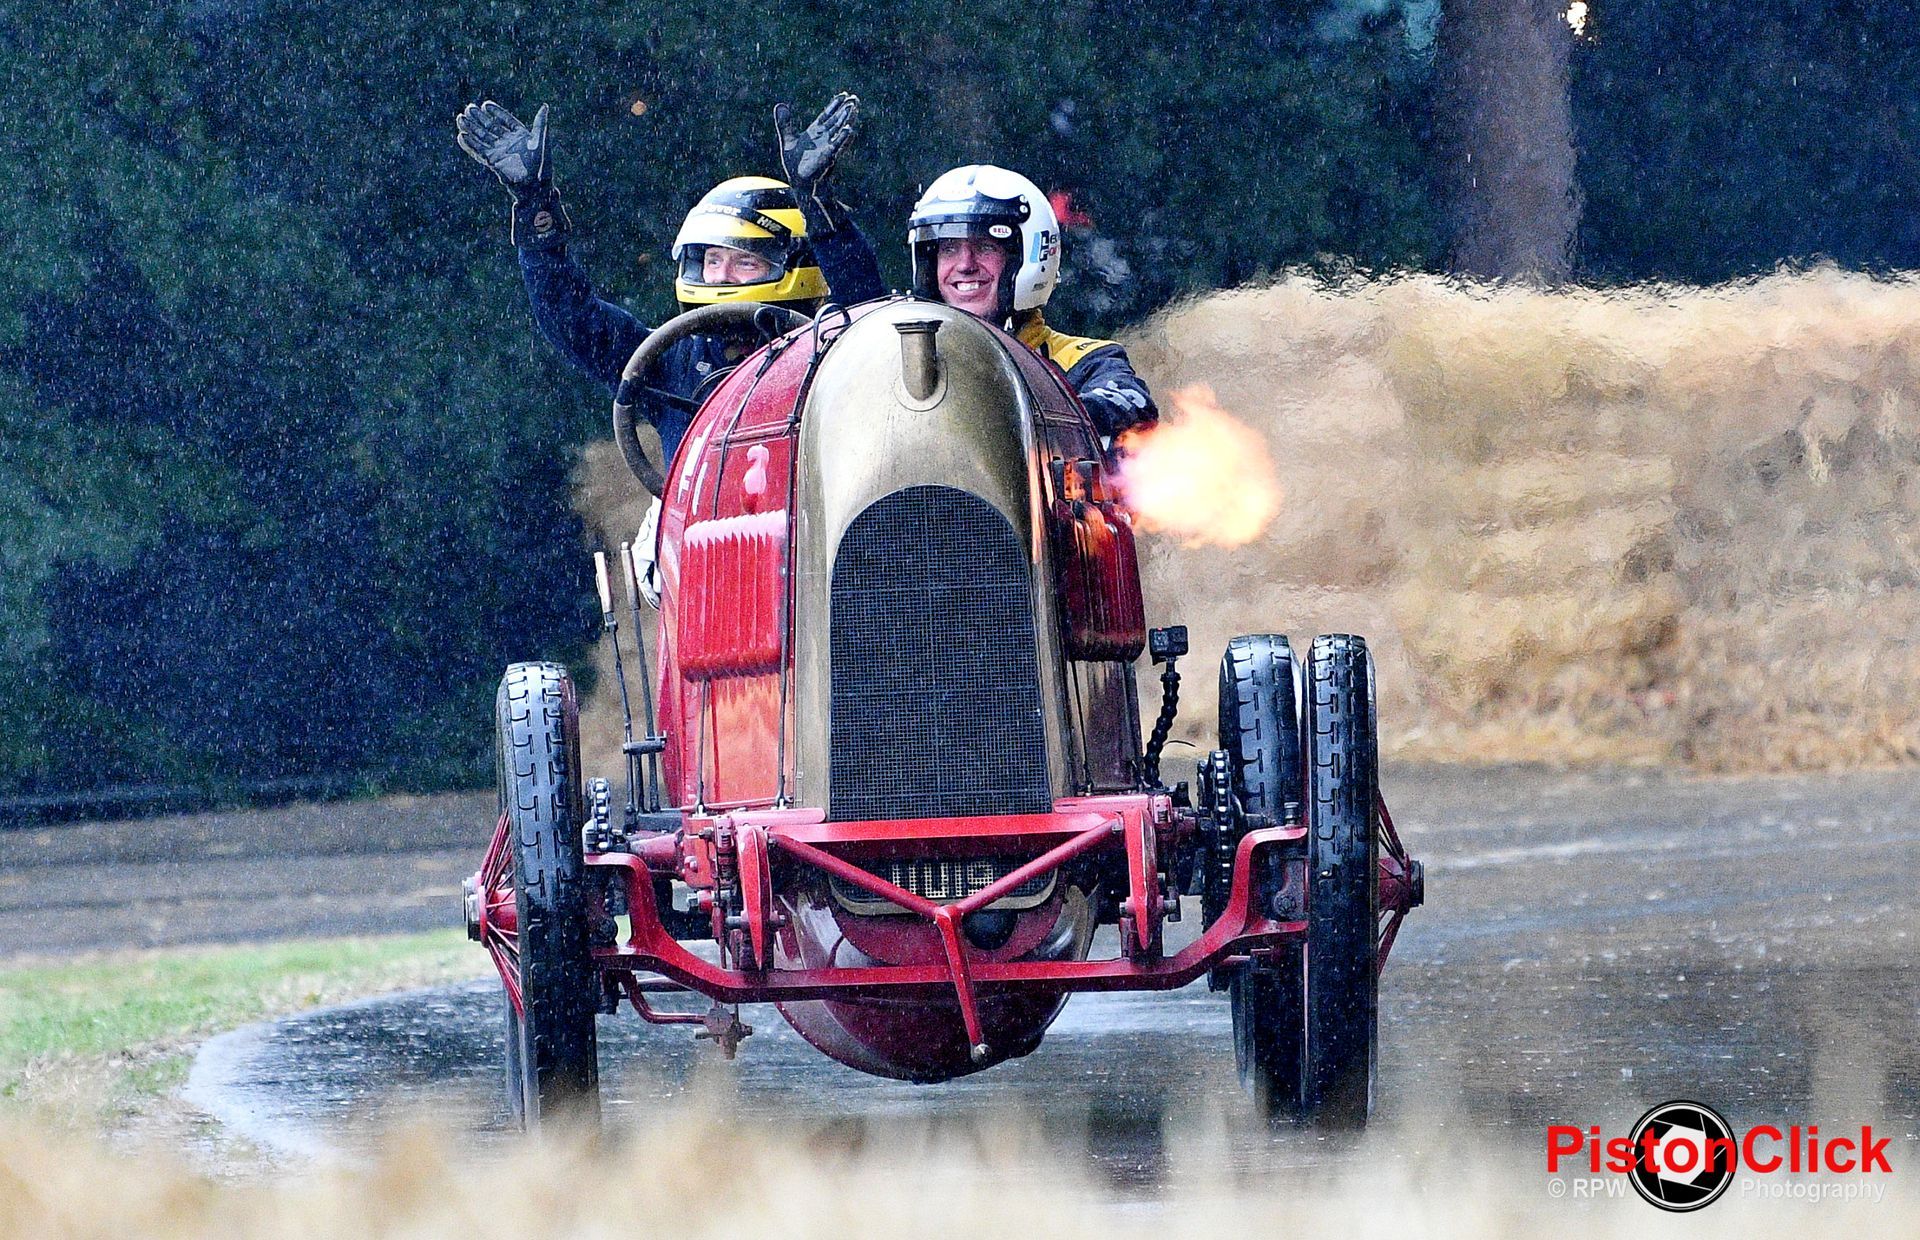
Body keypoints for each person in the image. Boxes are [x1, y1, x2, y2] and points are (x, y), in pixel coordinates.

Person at [457, 93, 884, 603]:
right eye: (711, 261)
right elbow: (575, 321)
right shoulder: (673, 360)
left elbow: (869, 317)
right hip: (706, 585)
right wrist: (535, 209)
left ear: (795, 266)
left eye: (744, 262)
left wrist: (818, 204)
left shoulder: (832, 352)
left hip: (815, 577)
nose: (721, 277)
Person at [907, 165, 1157, 443]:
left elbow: (1131, 403)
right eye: (949, 248)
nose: (965, 265)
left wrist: (1024, 413)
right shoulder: (906, 365)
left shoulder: (1085, 362)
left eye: (986, 247)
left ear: (1027, 258)